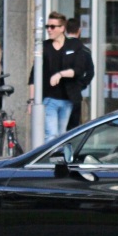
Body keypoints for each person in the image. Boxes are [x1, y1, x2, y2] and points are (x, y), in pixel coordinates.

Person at [29, 11, 83, 141]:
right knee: (51, 135)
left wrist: (60, 74)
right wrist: (31, 100)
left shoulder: (73, 45)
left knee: (62, 135)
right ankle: (48, 161)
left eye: (52, 27)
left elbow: (78, 70)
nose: (49, 30)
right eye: (47, 26)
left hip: (68, 99)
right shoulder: (44, 47)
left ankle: (57, 160)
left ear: (62, 28)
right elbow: (34, 74)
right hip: (49, 99)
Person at [64, 17, 95, 131]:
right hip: (75, 94)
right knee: (73, 129)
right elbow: (90, 72)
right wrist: (81, 85)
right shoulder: (84, 50)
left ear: (66, 30)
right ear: (79, 30)